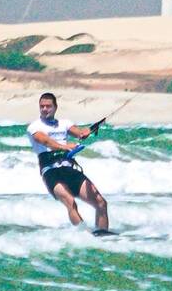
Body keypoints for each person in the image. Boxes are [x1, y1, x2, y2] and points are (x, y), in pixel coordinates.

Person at [30, 92, 112, 234]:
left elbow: (79, 133)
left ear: (55, 107)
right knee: (70, 201)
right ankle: (84, 236)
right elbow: (45, 141)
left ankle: (103, 237)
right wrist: (65, 146)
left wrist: (85, 132)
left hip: (69, 169)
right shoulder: (34, 127)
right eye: (42, 106)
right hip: (50, 171)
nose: (44, 109)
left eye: (48, 106)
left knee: (101, 202)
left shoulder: (64, 123)